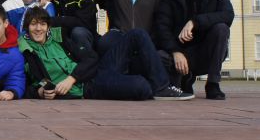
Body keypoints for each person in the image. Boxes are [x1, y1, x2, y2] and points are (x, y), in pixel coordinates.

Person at [20, 7, 193, 100]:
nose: (38, 28)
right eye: (33, 24)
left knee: (137, 34)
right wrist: (39, 93)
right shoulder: (25, 51)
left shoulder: (59, 38)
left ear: (48, 27)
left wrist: (71, 78)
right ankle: (138, 83)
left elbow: (91, 58)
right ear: (27, 27)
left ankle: (161, 88)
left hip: (97, 71)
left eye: (42, 24)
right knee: (142, 87)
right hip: (89, 88)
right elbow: (21, 84)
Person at [154, 0, 234, 100]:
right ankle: (184, 78)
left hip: (205, 52)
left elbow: (228, 15)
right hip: (179, 53)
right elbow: (162, 27)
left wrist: (195, 22)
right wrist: (175, 51)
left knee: (221, 28)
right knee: (158, 56)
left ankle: (213, 84)